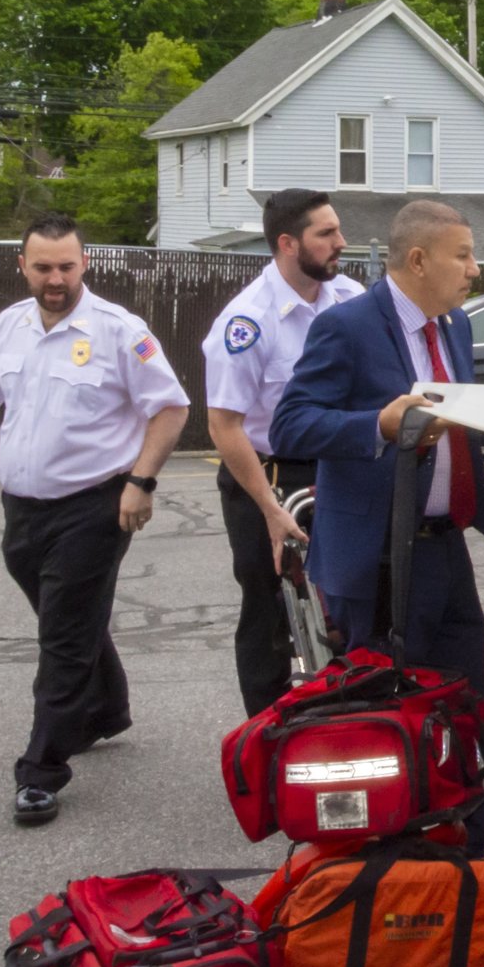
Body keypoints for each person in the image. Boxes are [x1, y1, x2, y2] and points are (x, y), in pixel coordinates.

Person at [0, 214, 191, 826]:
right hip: (21, 510)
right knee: (68, 617)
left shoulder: (120, 332)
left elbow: (172, 409)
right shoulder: (9, 327)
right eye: (43, 267)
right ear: (22, 265)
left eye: (66, 266)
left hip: (94, 506)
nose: (55, 279)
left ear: (85, 263)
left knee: (63, 637)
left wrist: (140, 482)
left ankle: (42, 770)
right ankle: (106, 710)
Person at [269, 199, 484, 911]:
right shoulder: (348, 327)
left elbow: (457, 413)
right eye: (464, 256)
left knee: (468, 712)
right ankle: (393, 882)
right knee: (391, 724)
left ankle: (470, 871)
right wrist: (377, 422)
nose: (475, 270)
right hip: (377, 561)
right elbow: (292, 421)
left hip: (446, 551)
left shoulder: (452, 324)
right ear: (417, 260)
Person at [201, 188, 363, 716]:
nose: (341, 243)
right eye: (327, 234)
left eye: (338, 230)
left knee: (351, 602)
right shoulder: (246, 321)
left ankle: (347, 721)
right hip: (265, 479)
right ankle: (269, 736)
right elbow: (224, 426)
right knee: (269, 614)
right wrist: (271, 511)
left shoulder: (350, 300)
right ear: (289, 244)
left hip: (339, 471)